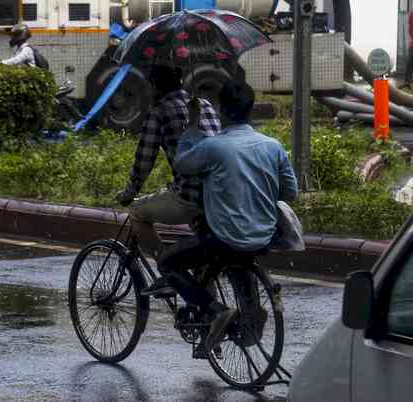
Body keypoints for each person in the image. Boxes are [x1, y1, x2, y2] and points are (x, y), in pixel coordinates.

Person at [158, 81, 298, 352]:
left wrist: (192, 126)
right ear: (250, 109)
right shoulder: (273, 146)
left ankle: (214, 310)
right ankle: (246, 316)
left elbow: (182, 165)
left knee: (167, 263)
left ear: (221, 110)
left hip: (224, 238)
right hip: (264, 236)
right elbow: (289, 192)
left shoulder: (214, 147)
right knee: (231, 257)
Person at [116, 65, 221, 271]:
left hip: (190, 196)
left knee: (137, 212)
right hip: (219, 191)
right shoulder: (206, 105)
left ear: (154, 86)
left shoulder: (159, 112)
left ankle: (168, 271)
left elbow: (144, 161)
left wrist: (130, 192)